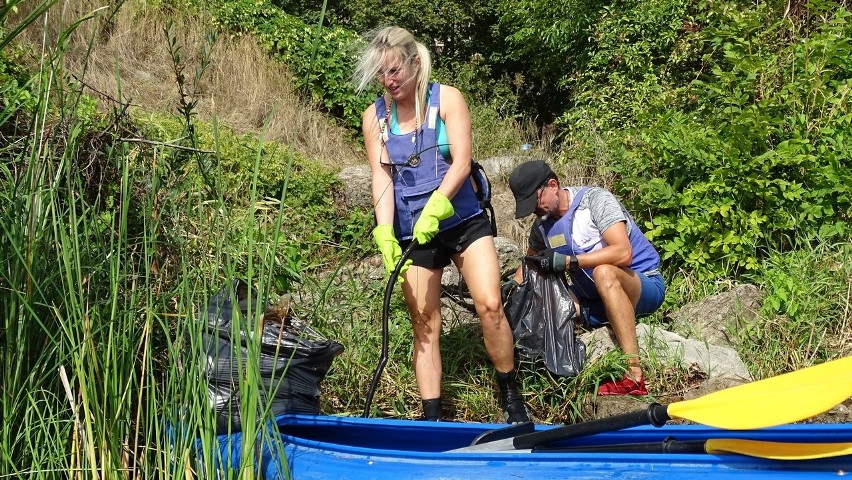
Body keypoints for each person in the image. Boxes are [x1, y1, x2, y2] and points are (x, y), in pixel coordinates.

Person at [353, 26, 529, 423]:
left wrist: (436, 206)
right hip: (413, 231)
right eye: (382, 74)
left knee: (490, 305)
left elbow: (463, 162)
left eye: (395, 70)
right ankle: (432, 415)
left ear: (415, 63)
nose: (389, 80)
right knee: (423, 321)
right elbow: (381, 179)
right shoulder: (375, 118)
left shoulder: (447, 99)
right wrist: (384, 231)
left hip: (462, 219)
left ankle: (511, 396)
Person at [506, 160, 666, 396]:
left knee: (604, 272)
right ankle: (546, 376)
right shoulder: (541, 228)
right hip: (594, 300)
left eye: (536, 201)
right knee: (544, 297)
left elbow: (623, 252)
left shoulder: (595, 201)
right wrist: (510, 290)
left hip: (642, 286)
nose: (534, 210)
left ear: (552, 185)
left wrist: (570, 261)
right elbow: (528, 266)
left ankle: (634, 376)